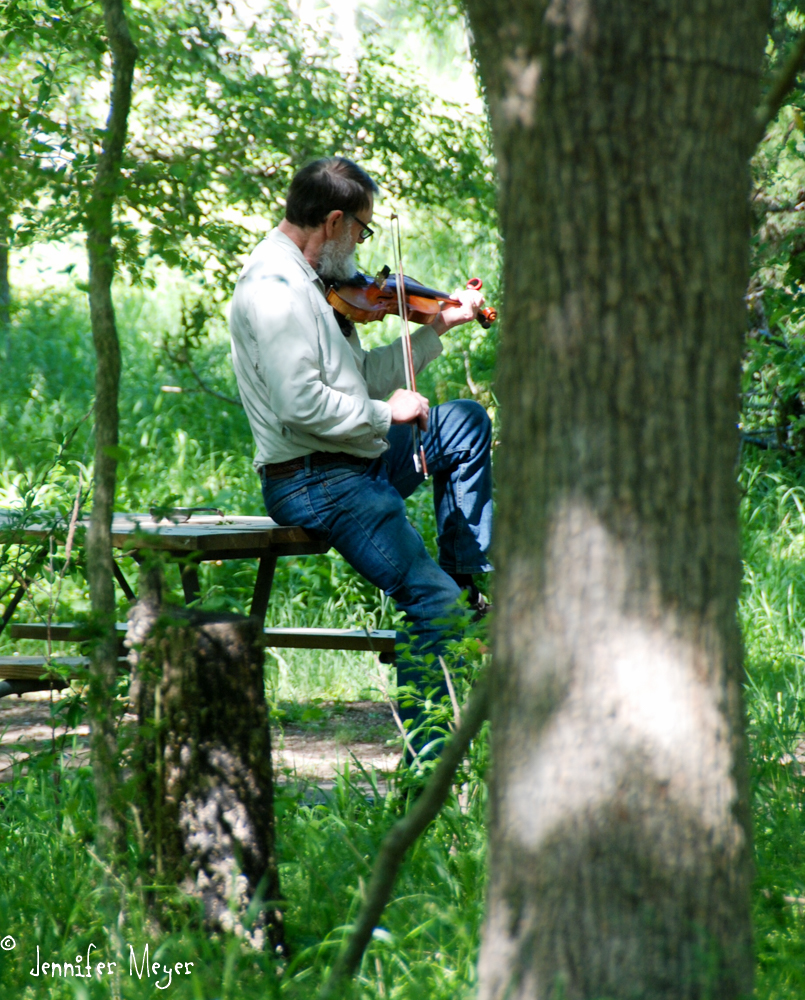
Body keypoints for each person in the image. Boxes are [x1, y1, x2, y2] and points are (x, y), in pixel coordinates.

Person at [229, 156, 492, 754]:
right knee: (431, 605)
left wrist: (436, 330)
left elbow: (363, 377)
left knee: (461, 422)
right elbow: (302, 406)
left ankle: (465, 581)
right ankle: (426, 760)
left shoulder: (315, 282)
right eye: (362, 232)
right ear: (335, 221)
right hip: (316, 478)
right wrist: (386, 414)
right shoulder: (275, 290)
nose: (362, 248)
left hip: (353, 455)